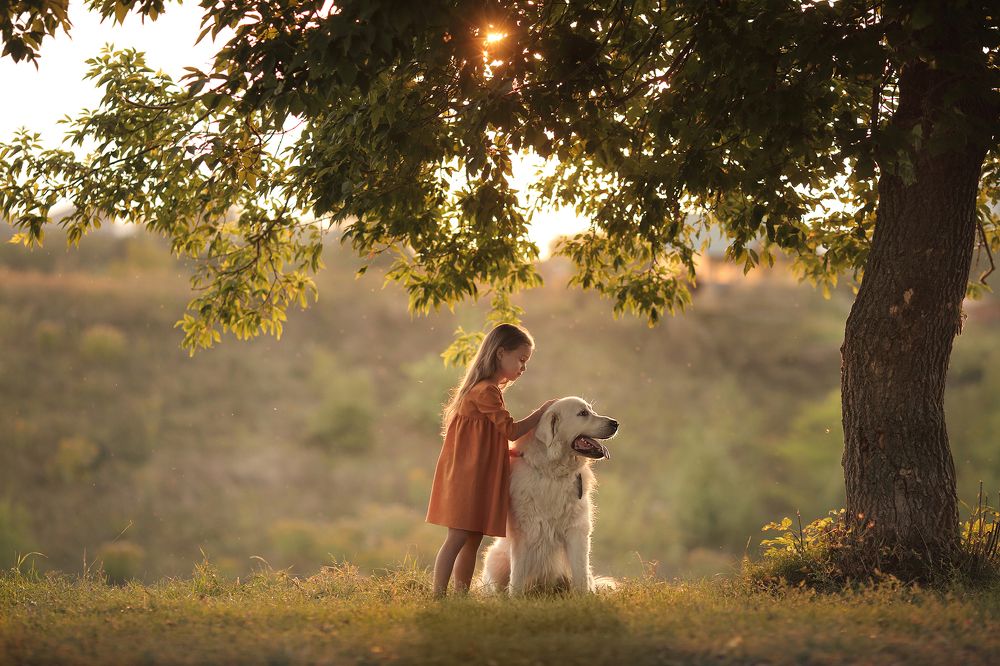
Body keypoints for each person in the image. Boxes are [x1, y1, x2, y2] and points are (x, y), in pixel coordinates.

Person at [425, 323, 557, 597]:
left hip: (478, 473)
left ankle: (460, 597)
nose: (523, 367)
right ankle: (438, 596)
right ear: (500, 353)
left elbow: (492, 438)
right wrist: (542, 412)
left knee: (472, 539)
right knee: (458, 537)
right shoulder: (486, 391)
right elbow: (509, 430)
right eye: (520, 359)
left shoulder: (487, 390)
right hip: (469, 476)